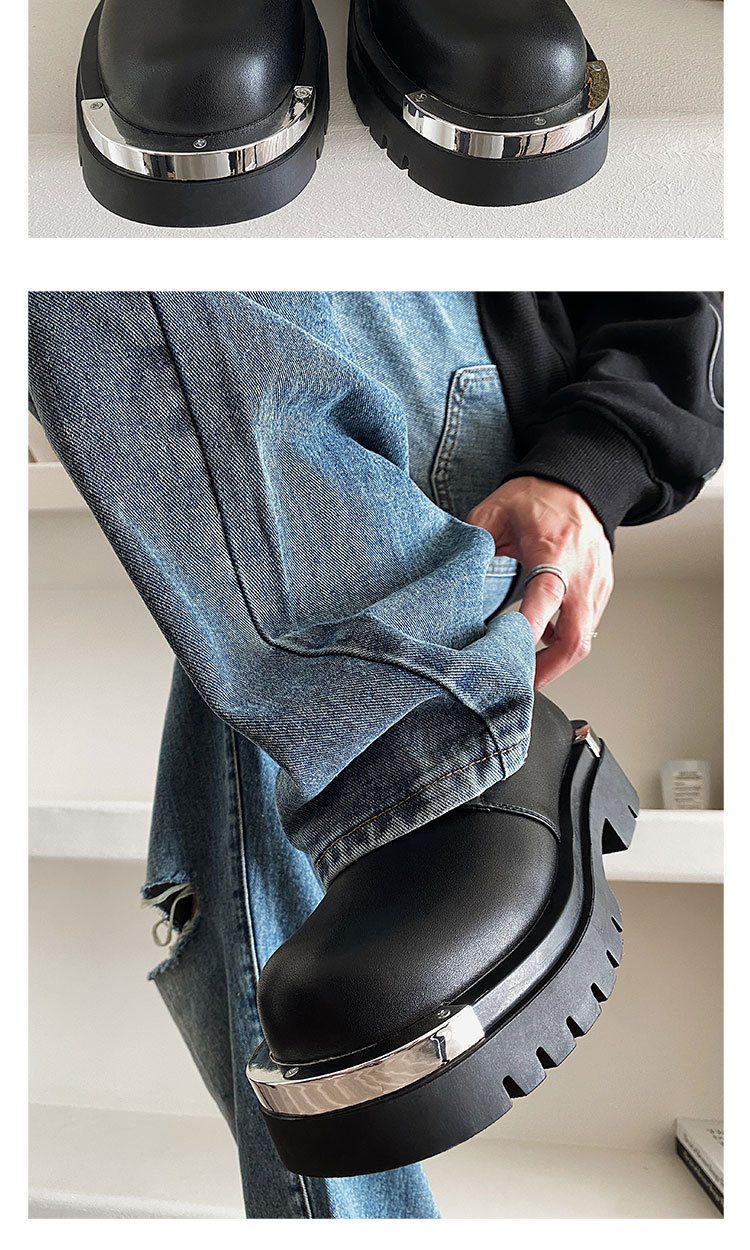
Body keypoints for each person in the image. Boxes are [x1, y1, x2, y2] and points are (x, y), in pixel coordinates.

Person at [28, 291, 723, 1218]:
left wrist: (592, 466)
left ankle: (434, 751)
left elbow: (676, 297)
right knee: (308, 1008)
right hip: (248, 399)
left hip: (434, 369)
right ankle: (431, 753)